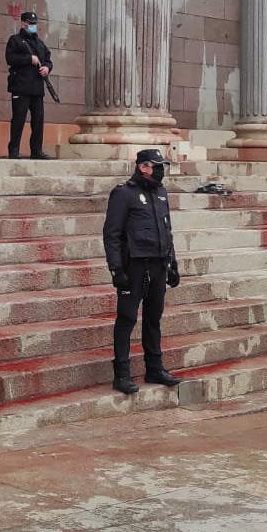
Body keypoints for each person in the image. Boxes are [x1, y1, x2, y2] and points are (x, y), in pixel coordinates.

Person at [105, 148, 182, 394]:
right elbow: (112, 234)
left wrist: (172, 263)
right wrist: (117, 269)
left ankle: (155, 368)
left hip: (158, 263)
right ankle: (122, 374)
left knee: (153, 318)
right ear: (143, 167)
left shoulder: (160, 193)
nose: (161, 171)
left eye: (162, 166)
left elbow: (167, 230)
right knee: (127, 319)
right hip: (134, 265)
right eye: (156, 165)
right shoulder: (123, 194)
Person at [5, 9, 53, 160]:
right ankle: (14, 150)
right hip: (21, 86)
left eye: (34, 23)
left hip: (37, 88)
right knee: (18, 120)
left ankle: (36, 151)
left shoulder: (39, 43)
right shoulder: (15, 40)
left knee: (38, 121)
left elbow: (48, 59)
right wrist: (28, 59)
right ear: (23, 23)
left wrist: (47, 67)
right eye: (30, 23)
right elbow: (10, 58)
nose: (32, 26)